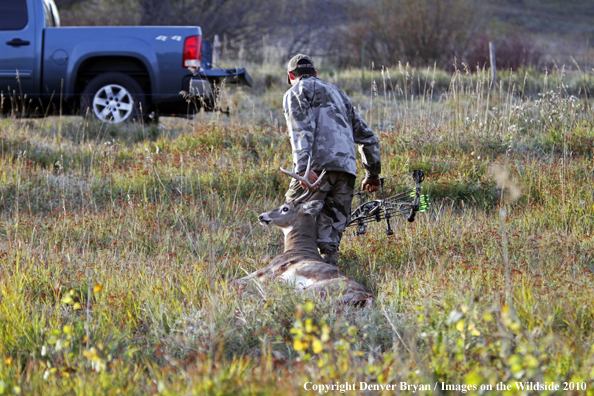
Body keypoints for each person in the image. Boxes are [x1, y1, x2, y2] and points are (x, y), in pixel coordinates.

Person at [283, 54, 382, 266]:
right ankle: (329, 273)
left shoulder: (295, 92)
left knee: (293, 215)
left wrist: (302, 169)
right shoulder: (339, 94)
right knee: (330, 238)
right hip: (346, 171)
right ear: (315, 74)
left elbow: (300, 131)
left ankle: (296, 270)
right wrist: (372, 174)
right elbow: (369, 138)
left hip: (316, 170)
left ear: (291, 75)